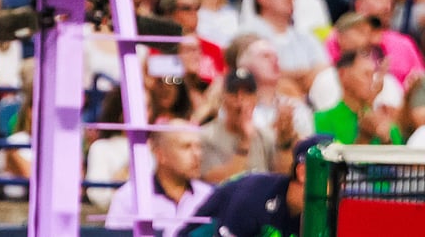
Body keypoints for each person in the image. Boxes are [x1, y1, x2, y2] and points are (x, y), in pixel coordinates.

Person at [175, 136, 333, 237]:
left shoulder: (327, 213)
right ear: (303, 173)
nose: (342, 182)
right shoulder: (252, 197)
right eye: (334, 173)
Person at [105, 122, 214, 232]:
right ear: (161, 154)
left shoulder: (208, 196)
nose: (197, 155)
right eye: (186, 147)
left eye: (199, 147)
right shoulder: (129, 197)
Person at [199, 69, 293, 183]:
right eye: (234, 93)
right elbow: (217, 181)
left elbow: (282, 177)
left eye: (247, 93)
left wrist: (285, 141)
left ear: (255, 99)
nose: (240, 100)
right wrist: (245, 141)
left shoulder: (265, 136)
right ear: (223, 99)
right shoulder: (206, 136)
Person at [239, 0, 329, 91]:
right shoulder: (247, 32)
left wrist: (291, 77)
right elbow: (253, 73)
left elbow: (324, 67)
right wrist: (301, 74)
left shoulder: (305, 37)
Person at [314, 47, 404, 143]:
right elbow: (329, 156)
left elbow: (400, 155)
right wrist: (365, 136)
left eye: (372, 75)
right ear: (342, 74)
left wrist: (387, 140)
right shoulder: (323, 120)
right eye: (365, 74)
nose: (371, 81)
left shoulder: (383, 121)